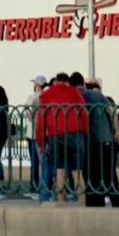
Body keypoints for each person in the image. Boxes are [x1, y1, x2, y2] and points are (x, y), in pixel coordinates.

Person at [36, 72, 87, 203]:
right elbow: (83, 113)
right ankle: (82, 203)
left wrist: (40, 142)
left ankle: (61, 201)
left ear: (56, 81)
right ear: (67, 82)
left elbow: (40, 121)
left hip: (55, 135)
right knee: (77, 171)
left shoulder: (45, 95)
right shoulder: (74, 92)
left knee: (60, 170)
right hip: (75, 133)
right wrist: (84, 133)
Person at [73, 74, 119, 207]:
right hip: (105, 138)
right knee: (109, 173)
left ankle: (95, 203)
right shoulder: (97, 95)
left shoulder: (75, 96)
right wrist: (117, 130)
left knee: (90, 174)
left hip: (87, 141)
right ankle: (116, 202)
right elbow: (111, 111)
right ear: (83, 83)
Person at [24, 75, 46, 199]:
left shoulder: (32, 97)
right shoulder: (47, 96)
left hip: (32, 133)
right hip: (44, 133)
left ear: (37, 85)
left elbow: (27, 114)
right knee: (43, 161)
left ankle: (34, 185)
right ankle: (44, 186)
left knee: (34, 161)